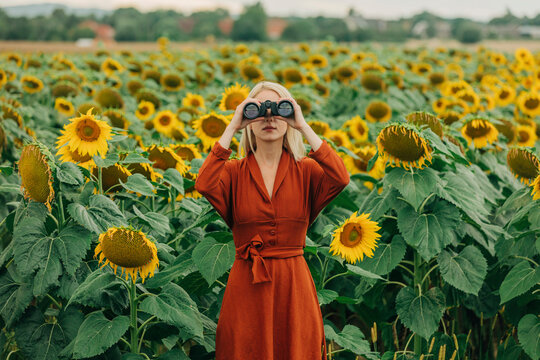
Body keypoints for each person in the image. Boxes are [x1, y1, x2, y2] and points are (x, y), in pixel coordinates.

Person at [194, 81, 350, 360]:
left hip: (294, 288)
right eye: (258, 110)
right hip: (247, 287)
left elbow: (340, 177)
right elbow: (204, 184)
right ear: (248, 119)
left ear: (290, 116)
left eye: (279, 109)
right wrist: (232, 127)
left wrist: (302, 125)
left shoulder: (307, 172)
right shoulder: (233, 174)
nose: (269, 116)